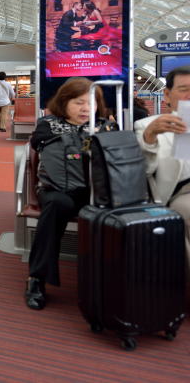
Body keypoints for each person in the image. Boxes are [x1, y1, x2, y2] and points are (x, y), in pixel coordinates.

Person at [25, 77, 116, 310]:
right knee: (56, 205)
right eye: (78, 102)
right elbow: (38, 143)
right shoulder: (48, 124)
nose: (86, 108)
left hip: (97, 191)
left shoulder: (106, 126)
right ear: (64, 102)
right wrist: (86, 138)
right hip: (57, 189)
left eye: (91, 103)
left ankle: (116, 279)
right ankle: (37, 278)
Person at [135, 66, 190, 267]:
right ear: (167, 94)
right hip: (180, 191)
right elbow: (143, 172)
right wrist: (150, 137)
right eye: (184, 89)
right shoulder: (148, 126)